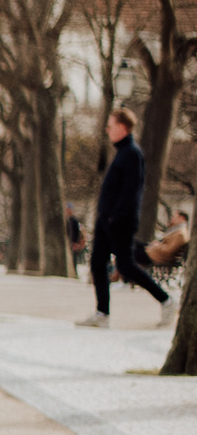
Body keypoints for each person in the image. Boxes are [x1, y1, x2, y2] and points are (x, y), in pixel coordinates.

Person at [81, 107, 170, 327]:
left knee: (126, 266)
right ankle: (102, 313)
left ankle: (167, 300)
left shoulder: (132, 153)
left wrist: (116, 216)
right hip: (107, 219)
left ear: (122, 127)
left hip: (119, 221)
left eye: (110, 126)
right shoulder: (122, 152)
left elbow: (132, 190)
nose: (107, 130)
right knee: (97, 263)